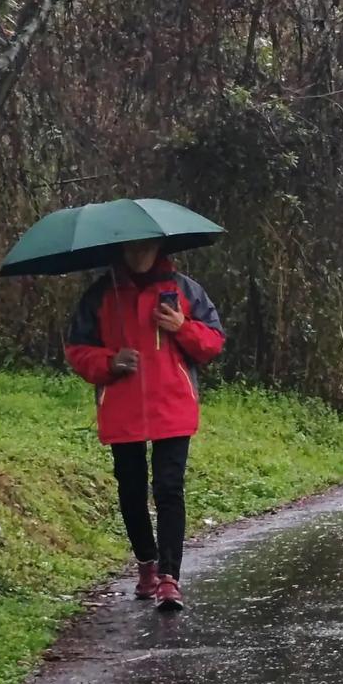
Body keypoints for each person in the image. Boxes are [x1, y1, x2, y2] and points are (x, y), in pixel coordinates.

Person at [65, 239, 225, 613]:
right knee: (132, 489)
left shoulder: (185, 290)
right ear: (121, 250)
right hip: (122, 407)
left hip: (173, 404)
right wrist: (110, 361)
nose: (139, 254)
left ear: (158, 248)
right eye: (132, 248)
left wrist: (182, 327)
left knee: (169, 488)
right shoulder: (101, 294)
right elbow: (77, 350)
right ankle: (147, 564)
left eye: (145, 247)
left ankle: (170, 578)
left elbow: (213, 342)